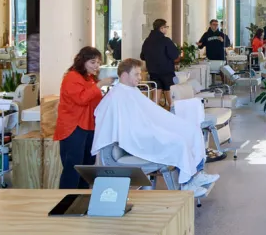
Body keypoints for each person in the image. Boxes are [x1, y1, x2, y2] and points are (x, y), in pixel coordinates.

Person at [91, 58, 217, 197]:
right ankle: (187, 183)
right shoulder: (116, 95)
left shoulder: (131, 91)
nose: (140, 77)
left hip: (145, 131)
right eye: (137, 74)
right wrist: (153, 130)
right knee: (178, 142)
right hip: (136, 138)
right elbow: (124, 126)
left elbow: (152, 114)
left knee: (191, 130)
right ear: (125, 75)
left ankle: (197, 174)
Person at [55, 46, 113, 190]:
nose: (96, 66)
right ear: (82, 61)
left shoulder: (90, 78)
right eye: (93, 62)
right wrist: (100, 85)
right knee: (73, 166)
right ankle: (66, 200)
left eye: (98, 63)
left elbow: (94, 101)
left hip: (88, 126)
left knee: (86, 166)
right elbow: (81, 99)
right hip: (73, 127)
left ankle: (82, 198)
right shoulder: (72, 77)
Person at [140, 19, 180, 108]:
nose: (167, 29)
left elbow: (142, 56)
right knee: (171, 97)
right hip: (167, 72)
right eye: (166, 27)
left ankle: (154, 116)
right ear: (161, 28)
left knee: (156, 95)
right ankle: (174, 115)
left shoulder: (147, 41)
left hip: (153, 72)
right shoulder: (165, 40)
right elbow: (174, 55)